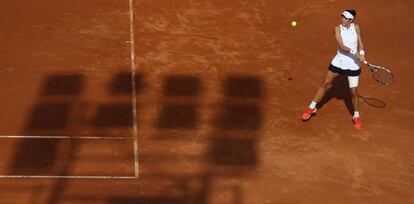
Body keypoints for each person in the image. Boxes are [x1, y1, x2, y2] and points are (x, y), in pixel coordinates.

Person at [302, 9, 366, 130]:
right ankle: (312, 107)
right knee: (326, 84)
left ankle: (356, 115)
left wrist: (362, 53)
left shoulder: (356, 28)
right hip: (339, 61)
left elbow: (361, 42)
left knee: (353, 92)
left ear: (351, 20)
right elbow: (341, 46)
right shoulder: (337, 28)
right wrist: (354, 52)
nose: (342, 19)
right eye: (342, 17)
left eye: (345, 18)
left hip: (353, 64)